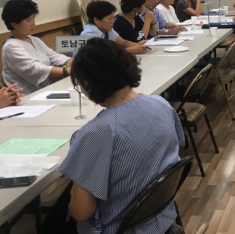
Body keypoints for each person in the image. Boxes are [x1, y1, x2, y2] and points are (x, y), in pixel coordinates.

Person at [41, 38, 184, 234]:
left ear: (87, 83)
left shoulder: (97, 133)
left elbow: (81, 213)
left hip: (120, 228)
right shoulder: (161, 104)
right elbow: (176, 147)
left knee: (55, 220)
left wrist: (74, 195)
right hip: (160, 218)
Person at [1, 0, 72, 95]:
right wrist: (67, 70)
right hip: (27, 97)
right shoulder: (11, 47)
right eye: (28, 20)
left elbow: (54, 56)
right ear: (14, 24)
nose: (33, 24)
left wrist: (72, 62)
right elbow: (36, 69)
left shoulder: (34, 40)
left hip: (47, 90)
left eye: (33, 18)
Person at [81, 0, 148, 54]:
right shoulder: (88, 34)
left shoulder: (107, 29)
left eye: (113, 18)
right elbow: (105, 56)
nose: (112, 21)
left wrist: (136, 45)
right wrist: (131, 50)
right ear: (96, 20)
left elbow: (123, 42)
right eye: (109, 19)